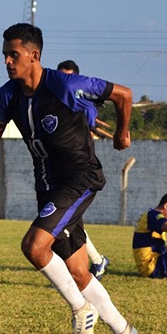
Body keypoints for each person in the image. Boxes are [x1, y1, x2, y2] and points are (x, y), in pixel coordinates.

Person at [0, 23, 139, 334]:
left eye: (13, 54)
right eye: (5, 55)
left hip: (80, 178)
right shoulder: (6, 95)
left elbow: (124, 94)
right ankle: (124, 332)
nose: (7, 61)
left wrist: (122, 134)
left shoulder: (66, 85)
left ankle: (80, 309)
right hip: (47, 184)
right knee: (77, 270)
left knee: (34, 245)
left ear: (35, 55)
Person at [56, 59, 110, 280]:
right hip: (56, 166)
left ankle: (84, 269)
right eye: (61, 76)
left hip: (77, 168)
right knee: (68, 221)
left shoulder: (84, 104)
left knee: (63, 221)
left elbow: (87, 131)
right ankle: (96, 262)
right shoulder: (51, 101)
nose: (64, 82)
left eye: (69, 77)